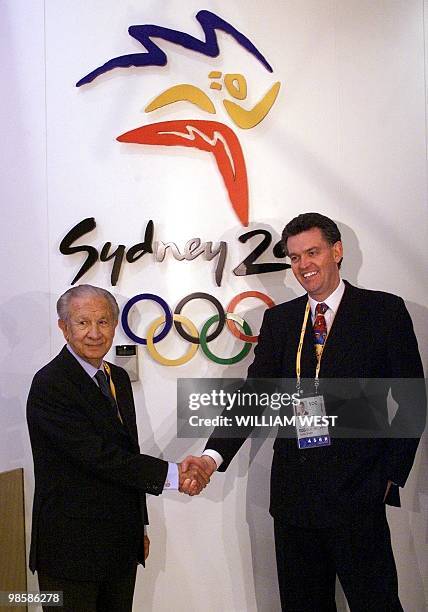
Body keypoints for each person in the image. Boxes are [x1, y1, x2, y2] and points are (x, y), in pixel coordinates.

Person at [184, 213, 426, 611]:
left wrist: (389, 476)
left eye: (312, 252)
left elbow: (412, 400)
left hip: (358, 495)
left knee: (376, 603)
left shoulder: (383, 312)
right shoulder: (279, 321)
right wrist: (212, 457)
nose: (303, 265)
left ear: (337, 251)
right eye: (295, 257)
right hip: (295, 499)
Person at [27, 284, 210, 612]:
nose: (95, 333)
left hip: (118, 546)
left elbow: (127, 451)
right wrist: (172, 475)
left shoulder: (117, 379)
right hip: (71, 552)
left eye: (103, 322)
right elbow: (99, 458)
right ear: (63, 327)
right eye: (83, 323)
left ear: (114, 324)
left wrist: (135, 527)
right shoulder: (50, 384)